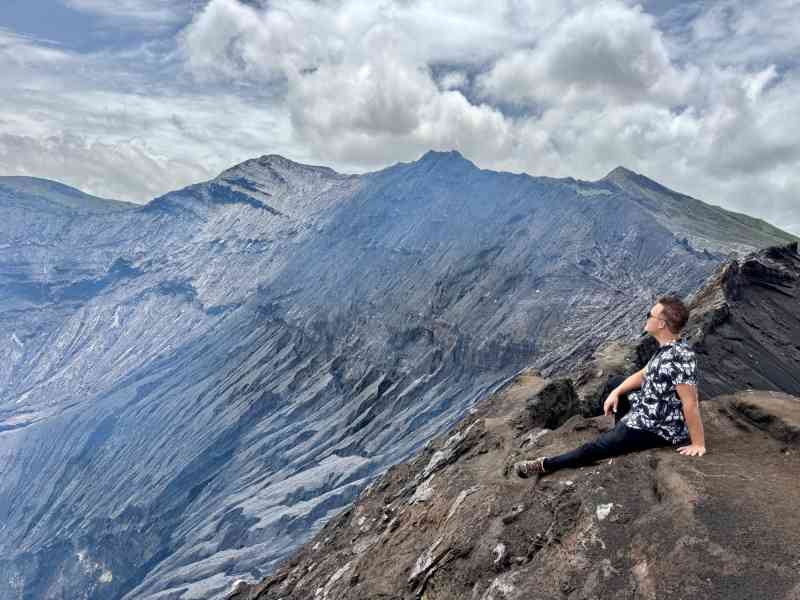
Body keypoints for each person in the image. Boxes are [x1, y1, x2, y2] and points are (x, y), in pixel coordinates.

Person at [514, 295, 706, 479]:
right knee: (616, 383)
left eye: (650, 315)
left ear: (661, 324)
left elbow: (690, 403)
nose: (647, 317)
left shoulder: (679, 357)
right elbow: (643, 374)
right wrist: (616, 392)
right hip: (648, 410)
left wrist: (698, 444)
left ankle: (545, 464)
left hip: (657, 428)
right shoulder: (668, 348)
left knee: (592, 449)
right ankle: (619, 436)